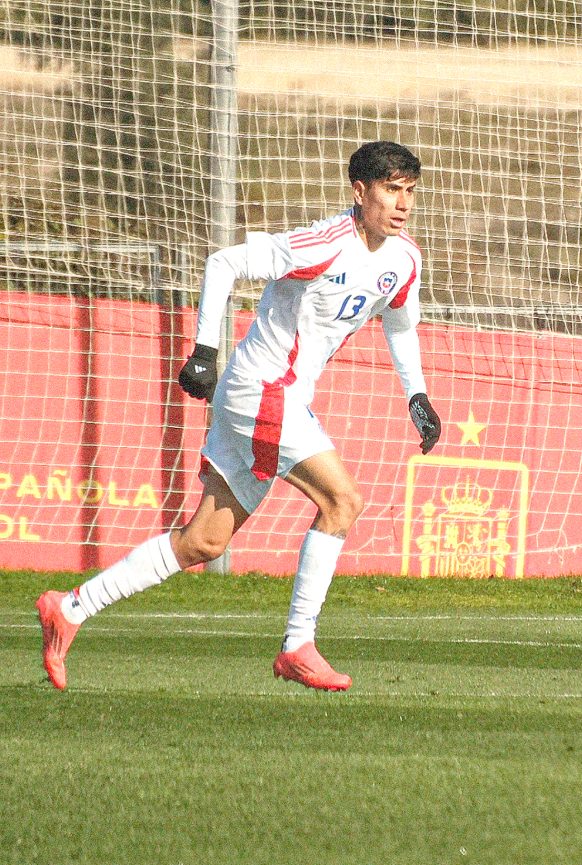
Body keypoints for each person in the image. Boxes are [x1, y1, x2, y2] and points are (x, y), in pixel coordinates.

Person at [35, 140, 441, 692]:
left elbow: (399, 325)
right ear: (359, 191)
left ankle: (72, 606)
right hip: (261, 389)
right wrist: (203, 349)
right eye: (391, 190)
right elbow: (223, 263)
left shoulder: (403, 258)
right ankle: (298, 644)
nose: (403, 204)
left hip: (274, 397)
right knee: (342, 500)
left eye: (409, 192)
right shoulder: (322, 243)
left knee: (204, 542)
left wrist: (416, 396)